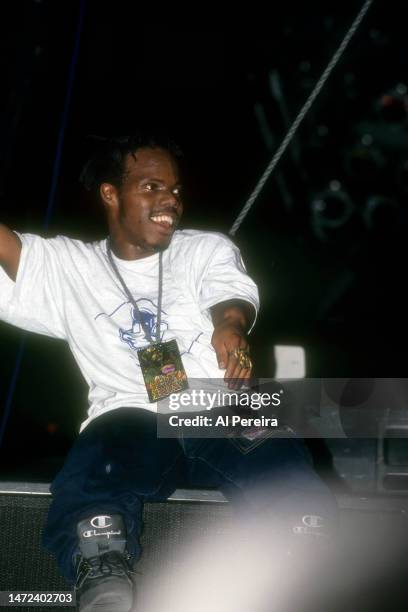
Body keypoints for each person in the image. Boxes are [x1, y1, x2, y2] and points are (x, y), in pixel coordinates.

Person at [0, 134, 337, 612]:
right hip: (130, 413)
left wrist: (230, 327)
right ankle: (101, 564)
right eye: (152, 187)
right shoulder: (68, 267)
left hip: (211, 404)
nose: (170, 202)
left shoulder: (202, 249)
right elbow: (9, 249)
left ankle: (303, 555)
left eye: (175, 190)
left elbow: (229, 295)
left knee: (273, 447)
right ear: (111, 193)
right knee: (102, 455)